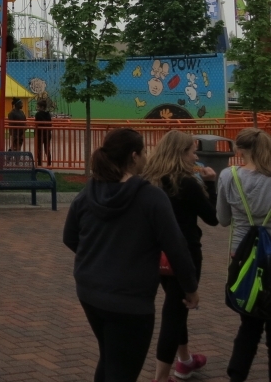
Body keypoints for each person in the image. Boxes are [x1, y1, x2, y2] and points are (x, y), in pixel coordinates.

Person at [63, 128, 199, 382]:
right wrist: (190, 288)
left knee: (110, 358)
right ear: (134, 156)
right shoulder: (150, 197)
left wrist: (98, 259)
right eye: (145, 152)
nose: (147, 157)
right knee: (122, 369)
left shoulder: (90, 191)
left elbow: (70, 236)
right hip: (130, 301)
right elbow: (176, 247)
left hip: (90, 291)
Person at [141, 131, 218, 382]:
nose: (195, 156)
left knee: (176, 305)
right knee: (175, 312)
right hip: (185, 254)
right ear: (180, 153)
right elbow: (213, 217)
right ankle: (161, 376)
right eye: (192, 151)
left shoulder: (150, 179)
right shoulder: (185, 183)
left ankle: (184, 360)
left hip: (157, 254)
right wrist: (210, 183)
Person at [218, 127, 271, 382]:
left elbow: (223, 219)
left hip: (241, 255)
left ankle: (236, 376)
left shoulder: (229, 176)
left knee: (249, 324)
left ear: (239, 150)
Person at [35, 97, 53, 166]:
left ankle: (39, 163)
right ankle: (49, 163)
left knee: (39, 149)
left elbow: (37, 123)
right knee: (47, 149)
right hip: (47, 134)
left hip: (40, 134)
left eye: (38, 107)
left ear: (42, 107)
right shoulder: (48, 114)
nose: (38, 108)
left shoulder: (38, 114)